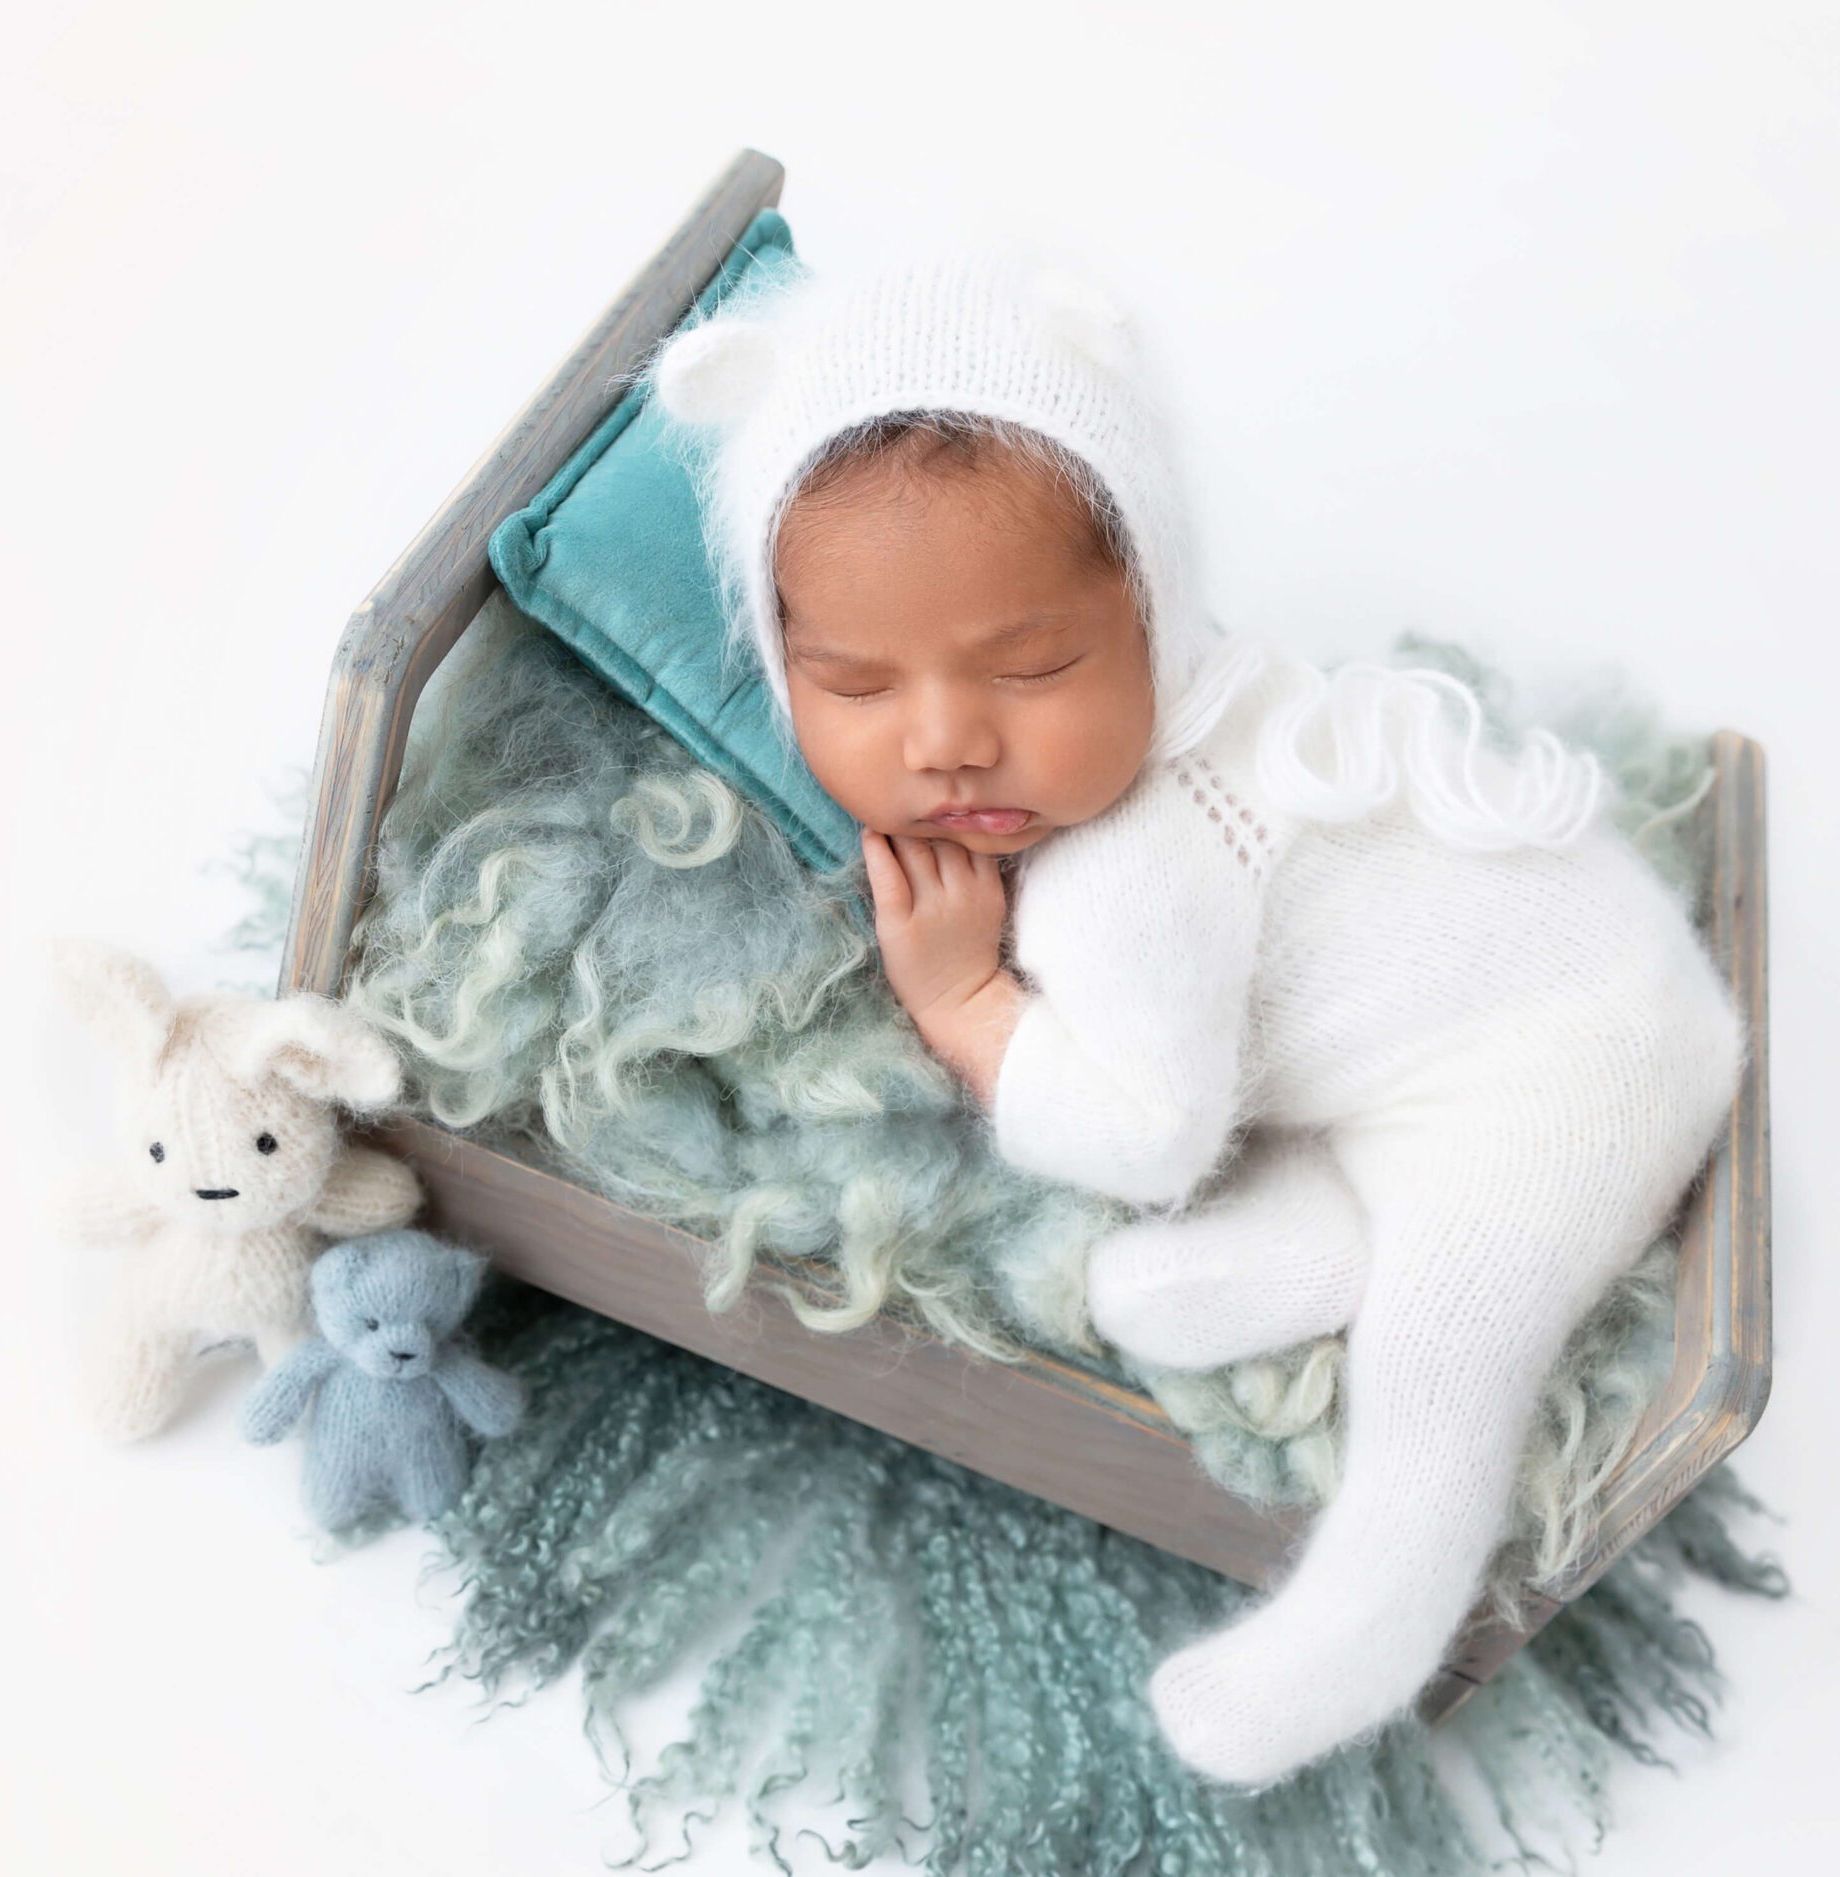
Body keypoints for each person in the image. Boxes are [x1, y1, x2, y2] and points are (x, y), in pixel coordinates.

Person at [646, 242, 1747, 1788]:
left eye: (1032, 667)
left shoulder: (1137, 865)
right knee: (1196, 1261)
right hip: (1392, 1056)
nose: (951, 740)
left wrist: (971, 1005)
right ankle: (1334, 1228)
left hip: (1577, 1043)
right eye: (854, 682)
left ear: (1156, 621)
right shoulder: (1055, 791)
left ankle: (1371, 1618)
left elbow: (1155, 1133)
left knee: (1448, 1344)